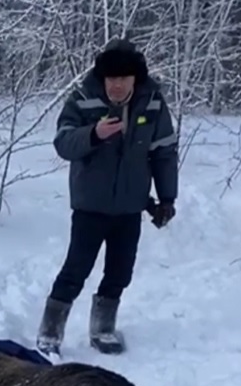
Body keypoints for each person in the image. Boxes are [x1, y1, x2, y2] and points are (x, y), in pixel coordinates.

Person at [36, 37, 178, 355]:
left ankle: (103, 329)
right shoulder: (84, 99)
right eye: (111, 78)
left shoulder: (152, 103)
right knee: (75, 270)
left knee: (120, 272)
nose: (116, 85)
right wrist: (93, 134)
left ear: (135, 79)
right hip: (90, 205)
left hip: (130, 206)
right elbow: (62, 143)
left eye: (123, 78)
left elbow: (164, 152)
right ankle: (49, 333)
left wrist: (167, 199)